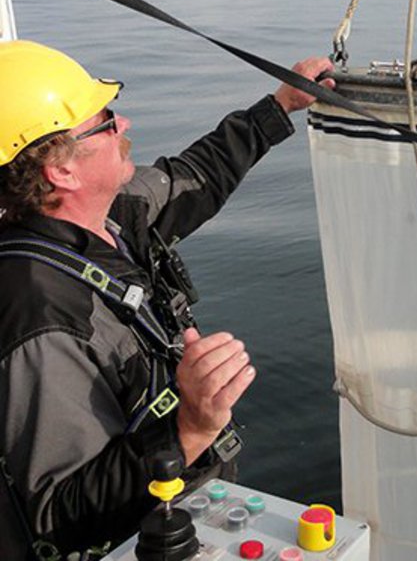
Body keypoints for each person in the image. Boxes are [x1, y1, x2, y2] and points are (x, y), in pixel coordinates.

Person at [0, 39, 334, 559]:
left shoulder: (113, 217)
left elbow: (197, 174)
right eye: (104, 122)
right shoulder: (41, 317)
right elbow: (61, 511)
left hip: (189, 510)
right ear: (60, 171)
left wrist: (281, 104)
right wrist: (190, 428)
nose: (124, 123)